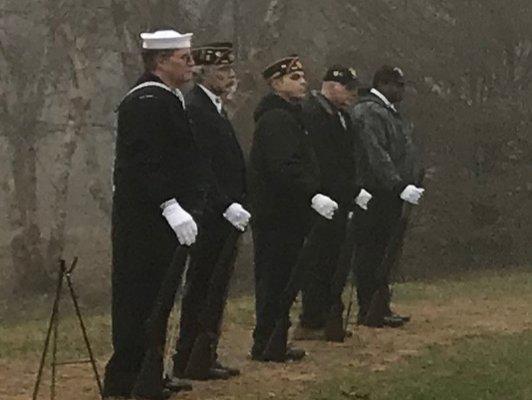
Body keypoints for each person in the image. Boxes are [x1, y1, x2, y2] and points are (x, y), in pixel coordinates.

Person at [103, 29, 209, 400]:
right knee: (141, 300)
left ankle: (148, 373)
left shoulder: (166, 98)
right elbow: (145, 161)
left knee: (158, 299)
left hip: (162, 218)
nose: (193, 66)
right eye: (185, 58)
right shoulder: (147, 101)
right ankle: (129, 379)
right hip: (147, 220)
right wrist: (169, 203)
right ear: (161, 61)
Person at [249, 55, 339, 362]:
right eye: (294, 78)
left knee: (286, 277)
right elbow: (284, 167)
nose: (303, 82)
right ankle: (267, 340)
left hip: (289, 214)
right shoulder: (276, 119)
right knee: (275, 279)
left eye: (302, 77)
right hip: (277, 215)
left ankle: (276, 337)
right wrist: (311, 193)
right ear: (276, 83)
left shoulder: (290, 116)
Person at [170, 42, 250, 381]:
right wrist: (225, 202)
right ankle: (191, 356)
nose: (229, 77)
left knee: (214, 287)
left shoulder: (213, 108)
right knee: (204, 285)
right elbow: (203, 165)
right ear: (204, 73)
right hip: (210, 214)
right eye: (222, 71)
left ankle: (204, 353)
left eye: (231, 71)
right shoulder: (197, 109)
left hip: (225, 213)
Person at [295, 65, 372, 341]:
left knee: (336, 260)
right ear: (332, 86)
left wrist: (355, 189)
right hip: (323, 199)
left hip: (340, 198)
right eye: (348, 88)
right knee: (319, 261)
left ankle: (330, 315)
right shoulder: (315, 114)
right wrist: (346, 190)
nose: (352, 95)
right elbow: (325, 161)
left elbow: (349, 159)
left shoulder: (342, 116)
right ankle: (313, 318)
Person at [349, 65, 425, 328]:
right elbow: (375, 154)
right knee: (373, 251)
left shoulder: (386, 113)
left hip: (389, 192)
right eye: (397, 85)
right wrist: (397, 185)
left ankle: (380, 305)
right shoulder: (369, 112)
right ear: (382, 84)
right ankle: (369, 307)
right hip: (375, 193)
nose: (401, 90)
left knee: (386, 250)